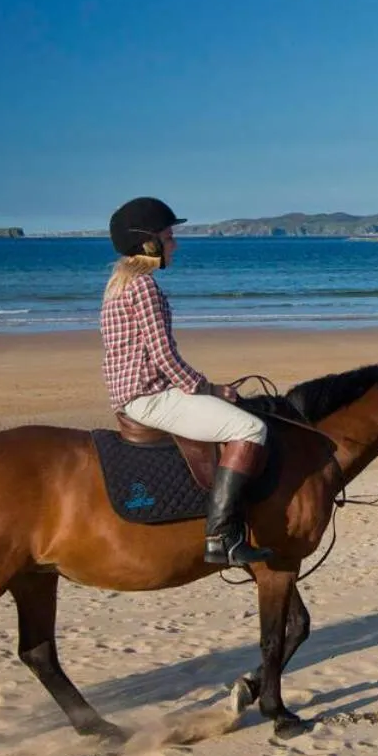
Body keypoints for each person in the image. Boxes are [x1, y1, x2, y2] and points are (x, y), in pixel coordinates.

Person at [101, 197, 273, 567]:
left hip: (132, 392)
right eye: (169, 237)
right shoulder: (143, 287)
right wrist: (209, 388)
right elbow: (164, 356)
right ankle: (221, 535)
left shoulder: (117, 284)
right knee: (251, 428)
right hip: (149, 397)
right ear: (149, 243)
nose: (175, 244)